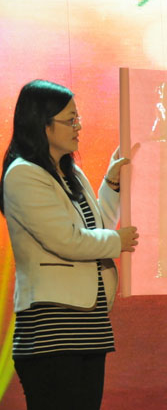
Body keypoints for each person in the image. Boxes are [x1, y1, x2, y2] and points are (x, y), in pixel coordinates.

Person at [0, 80, 139, 410]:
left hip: (89, 327)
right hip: (52, 329)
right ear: (42, 124)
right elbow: (66, 240)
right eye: (70, 120)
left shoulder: (69, 170)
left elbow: (97, 229)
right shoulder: (23, 174)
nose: (78, 127)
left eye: (78, 118)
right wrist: (117, 242)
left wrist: (112, 183)